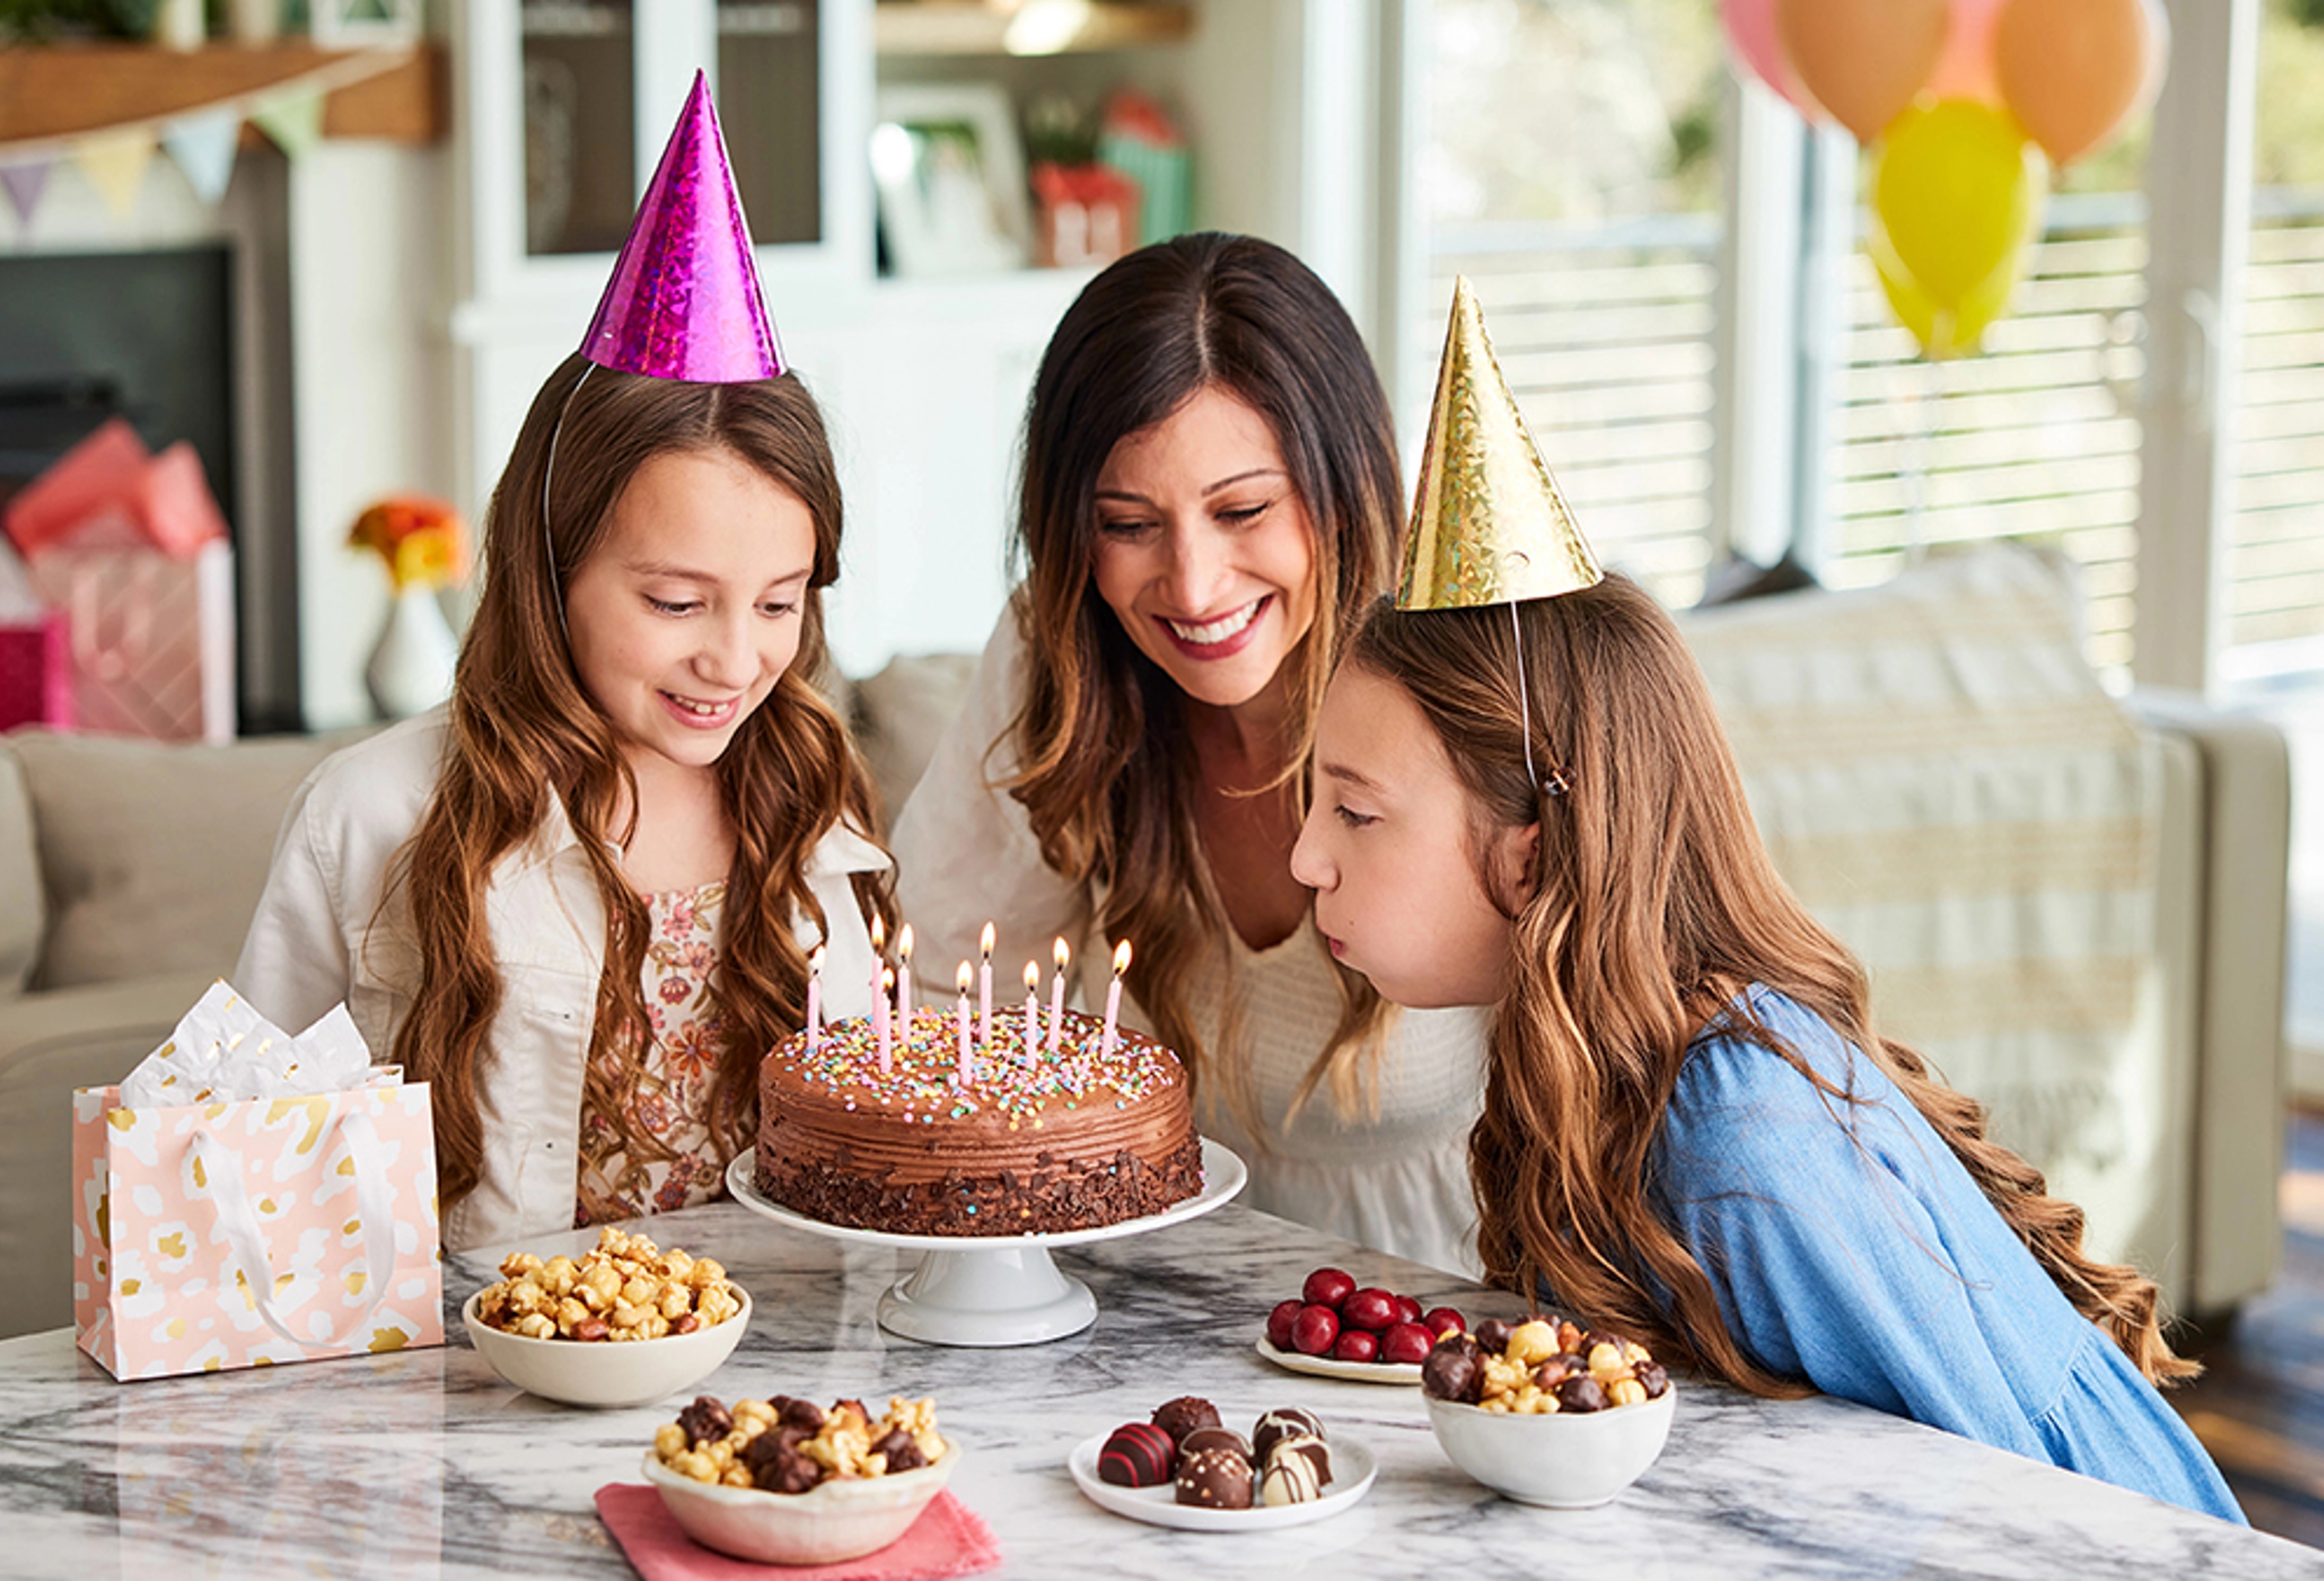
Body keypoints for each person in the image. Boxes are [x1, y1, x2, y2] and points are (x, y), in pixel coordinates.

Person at [1282, 281, 2245, 1522]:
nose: (1306, 858)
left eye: (1355, 812)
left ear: (1532, 855)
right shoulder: (1582, 1056)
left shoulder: (1736, 1135)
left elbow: (2007, 1503)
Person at [233, 77, 892, 1252]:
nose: (734, 659)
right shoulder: (374, 814)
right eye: (677, 601)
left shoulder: (806, 794)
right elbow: (242, 1159)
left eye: (780, 602)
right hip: (480, 1390)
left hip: (772, 1385)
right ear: (551, 566)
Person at [888, 233, 1488, 1275]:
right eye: (1129, 524)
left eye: (1243, 510)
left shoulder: (1479, 676)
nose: (1196, 586)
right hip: (1136, 1317)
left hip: (1441, 1322)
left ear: (1346, 482)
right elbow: (945, 993)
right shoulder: (1058, 651)